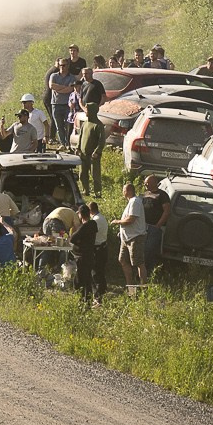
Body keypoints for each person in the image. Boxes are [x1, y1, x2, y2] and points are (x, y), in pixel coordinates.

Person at [77, 66, 108, 196]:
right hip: (83, 153)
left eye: (87, 73)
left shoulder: (98, 125)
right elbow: (80, 136)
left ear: (92, 73)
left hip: (93, 154)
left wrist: (98, 151)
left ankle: (97, 191)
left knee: (95, 173)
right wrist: (78, 148)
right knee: (82, 173)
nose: (85, 76)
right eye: (83, 74)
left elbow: (102, 140)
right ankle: (85, 190)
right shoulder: (85, 124)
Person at [112, 182, 147, 289]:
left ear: (129, 191)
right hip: (126, 238)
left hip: (135, 237)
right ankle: (130, 286)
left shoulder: (135, 201)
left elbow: (131, 219)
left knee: (139, 262)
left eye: (124, 190)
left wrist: (117, 222)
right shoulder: (131, 202)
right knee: (122, 260)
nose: (123, 192)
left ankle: (143, 287)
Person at [140, 174, 172, 281]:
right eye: (145, 183)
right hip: (143, 227)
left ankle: (150, 274)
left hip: (155, 228)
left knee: (150, 250)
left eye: (147, 183)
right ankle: (142, 274)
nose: (145, 185)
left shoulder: (162, 195)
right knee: (142, 251)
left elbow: (167, 211)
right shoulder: (145, 194)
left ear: (154, 182)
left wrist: (158, 225)